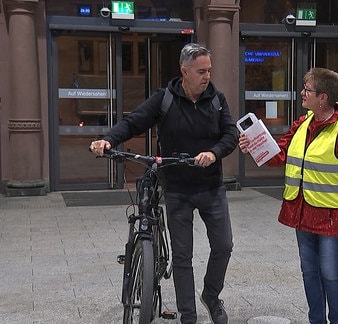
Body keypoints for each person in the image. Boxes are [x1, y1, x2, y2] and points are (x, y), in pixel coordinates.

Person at [90, 43, 238, 324]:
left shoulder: (216, 100)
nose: (207, 76)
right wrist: (107, 139)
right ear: (185, 71)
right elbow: (133, 122)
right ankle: (188, 316)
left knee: (224, 245)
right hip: (178, 189)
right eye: (201, 71)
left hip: (210, 187)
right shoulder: (165, 99)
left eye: (209, 70)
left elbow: (230, 134)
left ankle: (211, 295)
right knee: (182, 256)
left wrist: (214, 152)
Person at [239, 67, 338, 324]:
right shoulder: (302, 123)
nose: (302, 93)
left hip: (332, 217)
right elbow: (280, 155)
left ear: (322, 97)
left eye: (307, 89)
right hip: (303, 214)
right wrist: (253, 147)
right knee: (309, 272)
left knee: (330, 272)